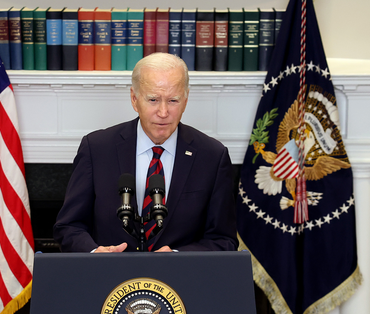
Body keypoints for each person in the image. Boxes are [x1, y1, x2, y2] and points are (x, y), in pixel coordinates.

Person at [53, 53, 238, 253]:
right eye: (153, 99)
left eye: (173, 100)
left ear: (185, 100)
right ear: (134, 99)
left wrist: (180, 257)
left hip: (178, 281)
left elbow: (223, 240)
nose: (163, 112)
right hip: (110, 279)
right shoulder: (97, 148)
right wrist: (95, 254)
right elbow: (69, 227)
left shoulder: (212, 156)